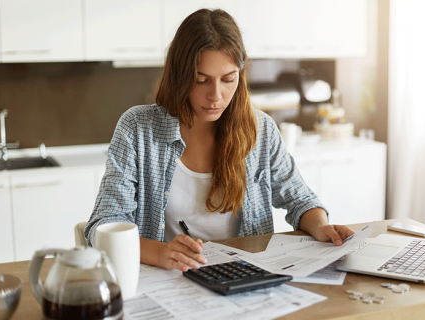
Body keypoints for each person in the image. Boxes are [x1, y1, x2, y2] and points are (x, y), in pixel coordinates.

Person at [84, 8, 354, 272]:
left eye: (228, 79)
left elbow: (301, 200)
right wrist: (162, 253)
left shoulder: (260, 130)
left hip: (244, 277)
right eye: (201, 80)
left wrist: (320, 226)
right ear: (180, 75)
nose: (216, 95)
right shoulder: (137, 129)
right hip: (169, 280)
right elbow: (102, 226)